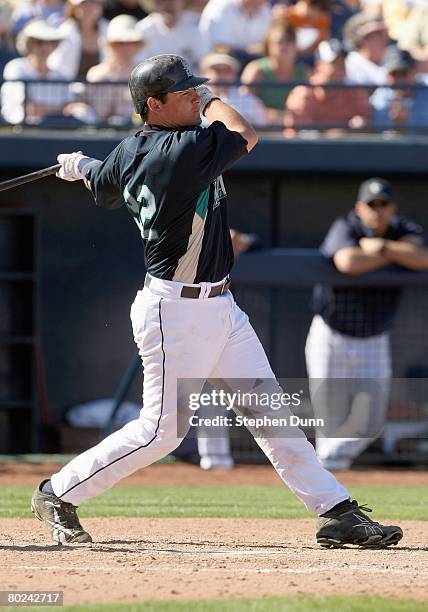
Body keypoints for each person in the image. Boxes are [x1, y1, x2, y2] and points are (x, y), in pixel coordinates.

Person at [31, 53, 402, 550]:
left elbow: (110, 183)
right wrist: (210, 101)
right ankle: (58, 492)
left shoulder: (132, 149)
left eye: (196, 89)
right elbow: (245, 133)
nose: (195, 95)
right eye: (183, 92)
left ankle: (335, 511)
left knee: (270, 413)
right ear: (154, 105)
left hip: (220, 307)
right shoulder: (180, 148)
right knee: (161, 432)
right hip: (176, 311)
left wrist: (84, 168)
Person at [305, 177, 428, 470]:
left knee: (371, 420)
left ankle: (321, 464)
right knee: (329, 418)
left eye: (383, 205)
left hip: (374, 336)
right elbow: (348, 262)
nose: (378, 211)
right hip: (331, 333)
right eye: (372, 205)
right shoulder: (346, 225)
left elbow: (422, 258)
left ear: (392, 208)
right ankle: (331, 490)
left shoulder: (404, 228)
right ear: (360, 208)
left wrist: (380, 248)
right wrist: (397, 255)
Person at [284, 39, 370, 132]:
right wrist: (339, 134)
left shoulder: (355, 93)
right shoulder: (303, 96)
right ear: (318, 66)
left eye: (342, 62)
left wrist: (361, 124)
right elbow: (300, 138)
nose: (340, 68)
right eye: (334, 63)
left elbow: (366, 122)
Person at [1, 18, 72, 125]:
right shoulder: (16, 68)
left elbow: (70, 107)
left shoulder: (60, 75)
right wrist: (59, 110)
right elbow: (31, 108)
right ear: (28, 43)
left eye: (51, 42)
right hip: (20, 132)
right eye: (39, 42)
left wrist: (52, 111)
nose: (45, 47)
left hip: (55, 130)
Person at [241, 19, 307, 125]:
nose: (285, 46)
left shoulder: (305, 72)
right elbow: (244, 106)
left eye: (290, 40)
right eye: (280, 41)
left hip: (296, 131)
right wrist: (280, 117)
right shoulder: (256, 70)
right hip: (263, 131)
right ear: (268, 45)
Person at [83, 14, 145, 125]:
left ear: (137, 45)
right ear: (111, 45)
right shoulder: (97, 74)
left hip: (135, 135)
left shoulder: (144, 74)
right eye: (119, 43)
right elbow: (99, 113)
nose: (125, 48)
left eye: (131, 43)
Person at [136, 0, 208, 70]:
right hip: (155, 80)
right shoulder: (143, 29)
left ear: (183, 2)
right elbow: (140, 64)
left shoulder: (196, 25)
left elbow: (203, 61)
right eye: (162, 0)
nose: (168, 4)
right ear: (155, 3)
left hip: (190, 80)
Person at [200, 52, 268, 127]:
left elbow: (263, 129)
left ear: (234, 75)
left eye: (227, 70)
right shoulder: (193, 99)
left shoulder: (250, 101)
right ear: (204, 73)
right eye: (217, 70)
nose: (222, 76)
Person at [370, 46, 428, 131]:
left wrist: (407, 121)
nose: (400, 80)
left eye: (403, 73)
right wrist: (396, 123)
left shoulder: (425, 91)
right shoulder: (380, 97)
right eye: (394, 74)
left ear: (415, 71)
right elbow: (378, 130)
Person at [47, 0, 108, 80]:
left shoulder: (109, 30)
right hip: (68, 89)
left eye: (94, 2)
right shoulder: (64, 32)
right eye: (84, 3)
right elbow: (57, 67)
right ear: (74, 8)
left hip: (103, 90)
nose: (89, 7)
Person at [199, 0, 272, 61]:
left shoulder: (265, 9)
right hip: (215, 61)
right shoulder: (221, 6)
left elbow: (265, 47)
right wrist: (250, 50)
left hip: (248, 61)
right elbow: (220, 48)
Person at [343, 12, 389, 85]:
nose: (385, 38)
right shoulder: (350, 64)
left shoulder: (391, 60)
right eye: (378, 34)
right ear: (363, 39)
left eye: (385, 33)